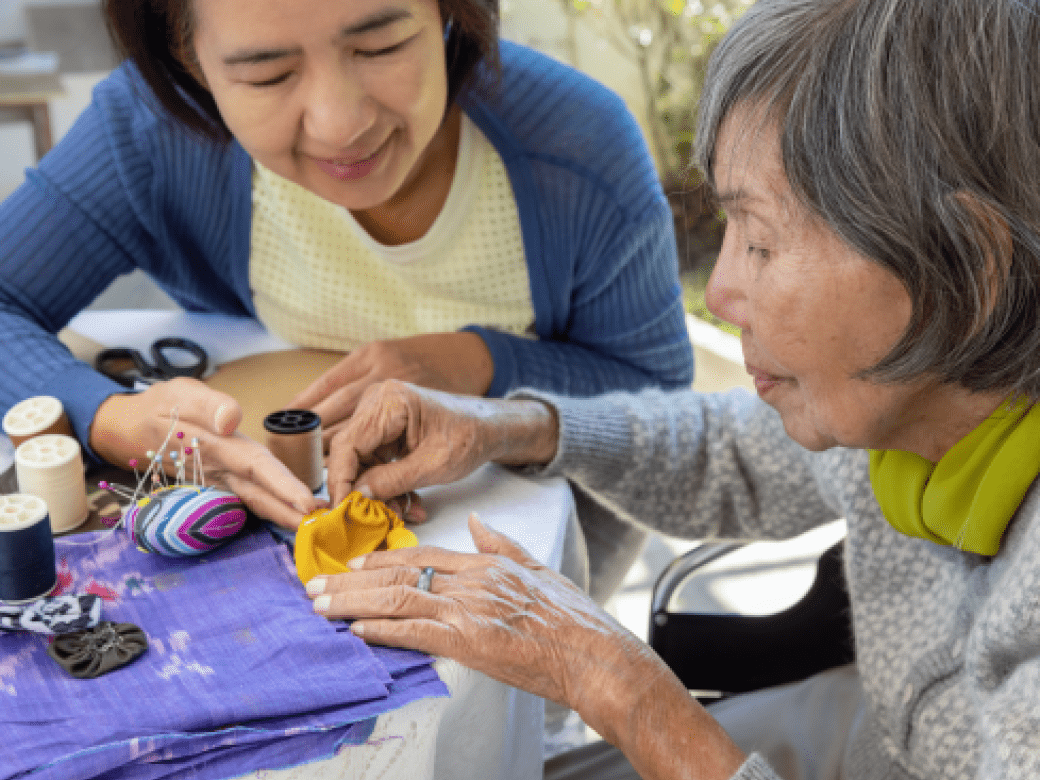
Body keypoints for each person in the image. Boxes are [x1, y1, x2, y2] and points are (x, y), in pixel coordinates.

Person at [299, 0, 1040, 778]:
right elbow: (730, 449)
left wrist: (616, 684)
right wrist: (506, 427)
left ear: (966, 267)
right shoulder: (915, 404)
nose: (718, 291)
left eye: (759, 241)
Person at [0, 0, 693, 532]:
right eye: (266, 74)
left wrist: (483, 365)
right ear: (189, 60)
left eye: (382, 45)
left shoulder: (578, 149)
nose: (339, 124)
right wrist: (104, 416)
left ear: (450, 11)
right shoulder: (151, 131)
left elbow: (666, 413)